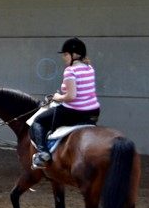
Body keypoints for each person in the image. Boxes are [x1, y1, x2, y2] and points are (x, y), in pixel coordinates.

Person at [30, 37, 101, 169]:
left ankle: (43, 153)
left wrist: (58, 97)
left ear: (75, 55)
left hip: (74, 112)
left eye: (66, 54)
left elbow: (71, 96)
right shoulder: (89, 68)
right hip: (93, 112)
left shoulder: (70, 71)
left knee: (38, 122)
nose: (64, 57)